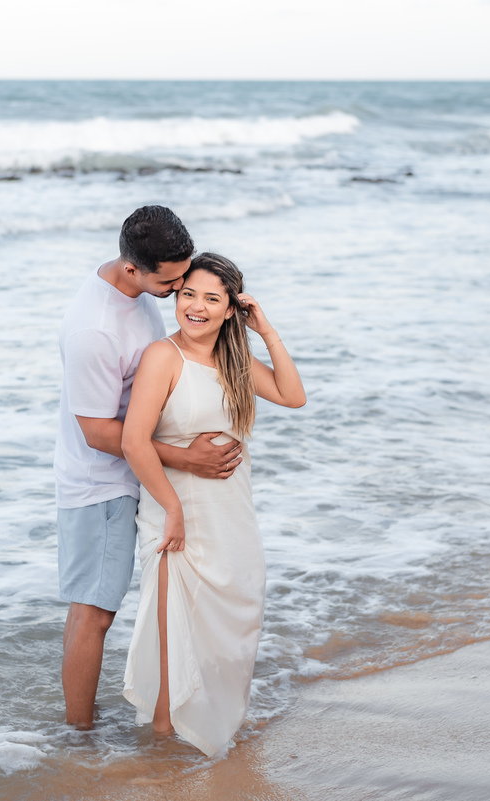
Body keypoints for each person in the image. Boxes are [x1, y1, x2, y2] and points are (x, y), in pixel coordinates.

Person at [55, 207, 243, 730]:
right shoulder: (96, 330)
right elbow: (96, 430)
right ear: (134, 269)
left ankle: (84, 723)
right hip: (103, 484)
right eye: (172, 281)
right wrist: (187, 458)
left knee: (88, 607)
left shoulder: (135, 288)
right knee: (94, 611)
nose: (181, 287)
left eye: (184, 274)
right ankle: (79, 739)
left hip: (133, 472)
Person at [121, 252, 306, 756]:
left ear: (230, 310)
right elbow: (133, 441)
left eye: (211, 299)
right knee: (173, 640)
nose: (196, 307)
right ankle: (161, 756)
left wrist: (264, 329)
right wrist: (173, 510)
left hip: (233, 518)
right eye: (188, 295)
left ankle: (215, 732)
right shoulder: (164, 356)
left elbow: (293, 396)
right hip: (175, 515)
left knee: (233, 629)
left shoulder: (234, 360)